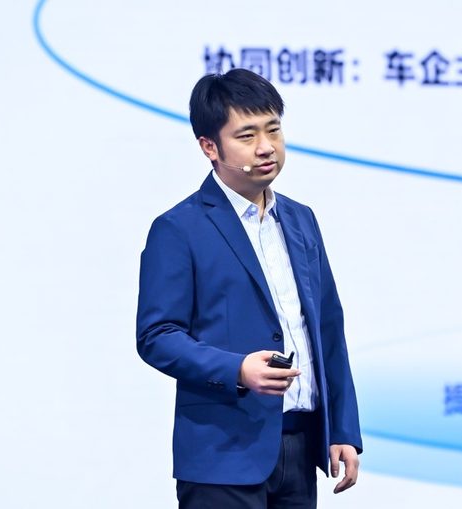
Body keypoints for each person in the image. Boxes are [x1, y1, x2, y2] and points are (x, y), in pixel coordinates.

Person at [136, 68, 362, 508]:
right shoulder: (179, 228)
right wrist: (237, 369)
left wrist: (342, 429)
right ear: (210, 147)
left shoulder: (301, 219)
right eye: (247, 135)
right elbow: (157, 336)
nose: (266, 147)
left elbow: (327, 330)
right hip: (222, 454)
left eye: (273, 130)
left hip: (301, 447)